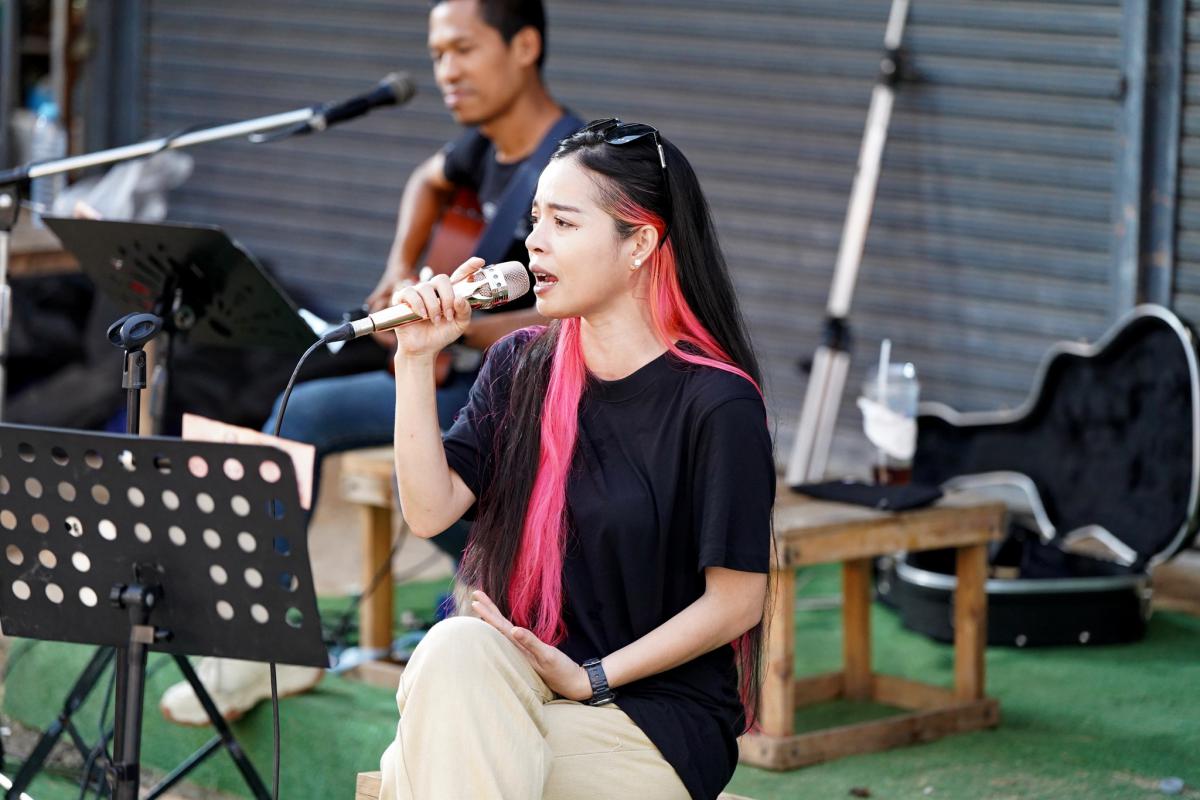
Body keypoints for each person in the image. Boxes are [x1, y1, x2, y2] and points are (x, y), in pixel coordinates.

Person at [159, 0, 583, 726]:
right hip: (457, 376)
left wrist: (461, 332)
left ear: (524, 47)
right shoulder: (483, 147)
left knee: (345, 430)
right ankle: (261, 642)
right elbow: (426, 179)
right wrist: (399, 271)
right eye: (436, 54)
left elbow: (578, 312)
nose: (445, 71)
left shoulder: (571, 164)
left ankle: (508, 595)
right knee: (299, 401)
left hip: (527, 393)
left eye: (463, 49)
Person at [378, 119, 775, 800]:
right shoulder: (518, 364)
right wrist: (414, 361)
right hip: (520, 684)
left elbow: (738, 602)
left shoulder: (717, 403)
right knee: (452, 646)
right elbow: (429, 511)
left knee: (426, 765)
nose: (533, 241)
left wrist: (591, 677)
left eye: (562, 222)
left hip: (648, 718)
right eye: (535, 219)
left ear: (639, 243)